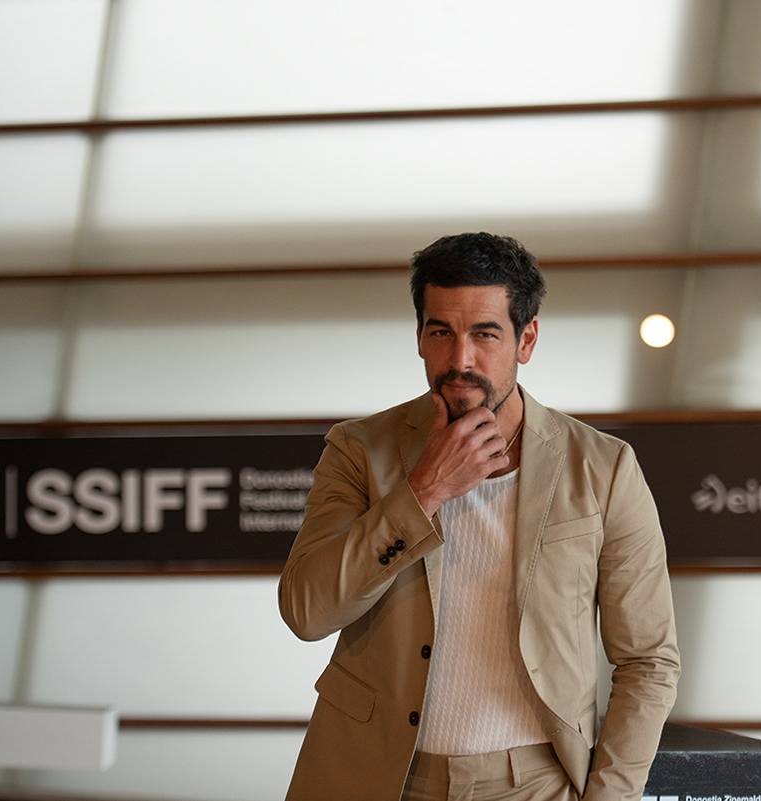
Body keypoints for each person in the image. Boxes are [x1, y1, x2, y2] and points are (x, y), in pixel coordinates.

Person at [278, 232, 680, 801]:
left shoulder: (603, 467)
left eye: (485, 334)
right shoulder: (359, 450)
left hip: (534, 784)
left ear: (526, 339)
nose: (460, 360)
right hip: (375, 776)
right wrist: (423, 491)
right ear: (419, 337)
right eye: (441, 332)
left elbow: (648, 661)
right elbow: (306, 612)